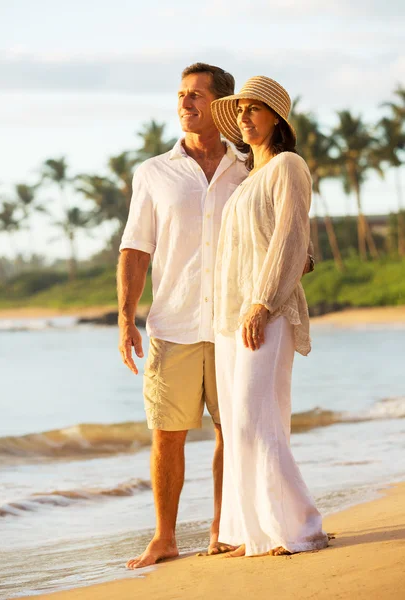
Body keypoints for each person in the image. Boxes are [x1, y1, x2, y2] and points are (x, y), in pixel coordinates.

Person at [117, 63, 247, 569]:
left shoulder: (250, 167)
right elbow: (135, 249)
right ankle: (165, 537)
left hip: (235, 324)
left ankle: (222, 528)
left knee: (230, 431)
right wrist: (126, 318)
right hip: (173, 324)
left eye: (196, 95)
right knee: (166, 433)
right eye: (180, 95)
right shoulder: (153, 172)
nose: (185, 103)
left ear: (222, 105)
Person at [210, 76, 329, 557]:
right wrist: (235, 310)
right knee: (248, 420)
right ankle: (256, 532)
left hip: (268, 310)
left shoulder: (288, 166)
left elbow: (289, 239)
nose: (244, 118)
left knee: (252, 422)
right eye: (240, 111)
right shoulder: (246, 180)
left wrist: (261, 302)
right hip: (234, 317)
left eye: (253, 109)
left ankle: (302, 528)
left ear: (276, 116)